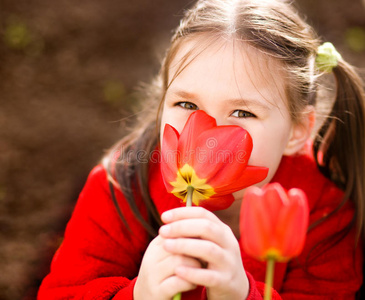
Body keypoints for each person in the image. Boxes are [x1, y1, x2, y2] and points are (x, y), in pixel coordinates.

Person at [38, 0, 365, 299]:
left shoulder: (325, 210)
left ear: (298, 131)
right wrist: (140, 295)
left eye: (242, 113)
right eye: (187, 104)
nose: (207, 132)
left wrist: (241, 294)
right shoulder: (120, 185)